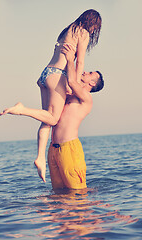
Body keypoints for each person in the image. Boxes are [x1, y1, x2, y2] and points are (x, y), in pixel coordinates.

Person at [0, 9, 102, 182]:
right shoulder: (83, 33)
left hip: (45, 73)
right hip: (57, 74)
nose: (93, 31)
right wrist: (74, 83)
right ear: (92, 23)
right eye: (95, 27)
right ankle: (21, 109)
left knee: (47, 119)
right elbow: (81, 61)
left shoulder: (68, 29)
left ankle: (40, 158)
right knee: (53, 119)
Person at [48, 44, 104, 189]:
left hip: (69, 149)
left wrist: (70, 59)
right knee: (59, 194)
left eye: (90, 73)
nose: (85, 72)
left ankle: (106, 212)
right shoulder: (70, 94)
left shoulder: (86, 98)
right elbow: (68, 80)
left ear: (92, 83)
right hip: (54, 149)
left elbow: (73, 81)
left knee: (77, 194)